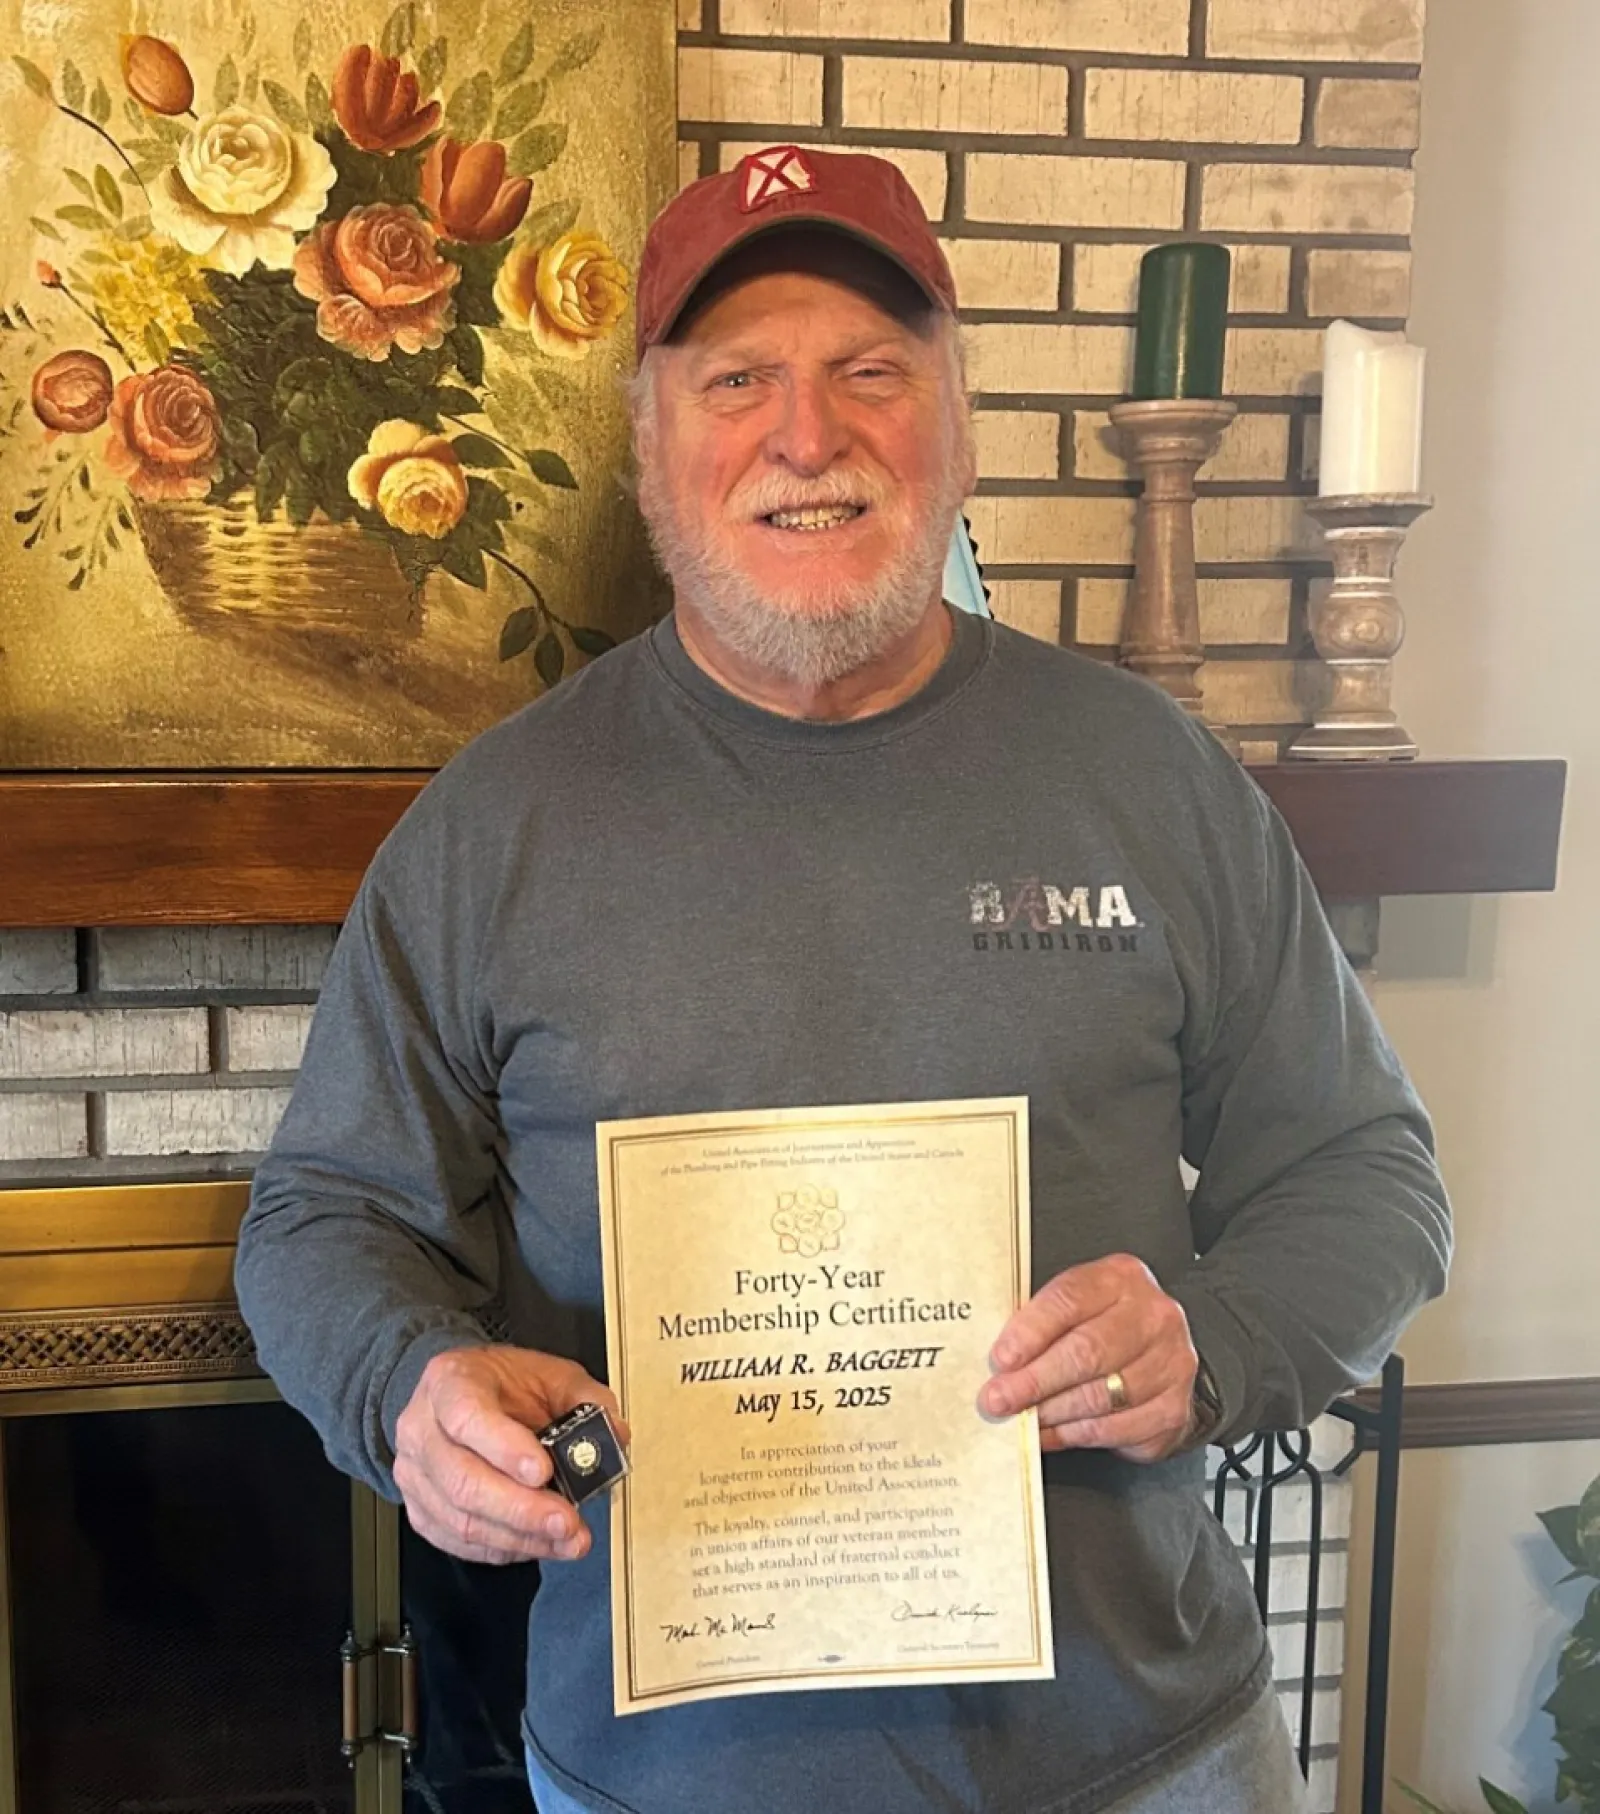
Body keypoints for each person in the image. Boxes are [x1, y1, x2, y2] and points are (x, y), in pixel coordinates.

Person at [237, 147, 1451, 1814]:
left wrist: (1216, 1340)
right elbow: (320, 1216)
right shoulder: (494, 827)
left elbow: (1373, 1176)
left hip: (1150, 1764)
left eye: (870, 372)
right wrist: (405, 1389)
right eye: (738, 380)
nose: (808, 436)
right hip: (658, 1779)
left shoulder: (1151, 779)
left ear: (955, 428)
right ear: (652, 449)